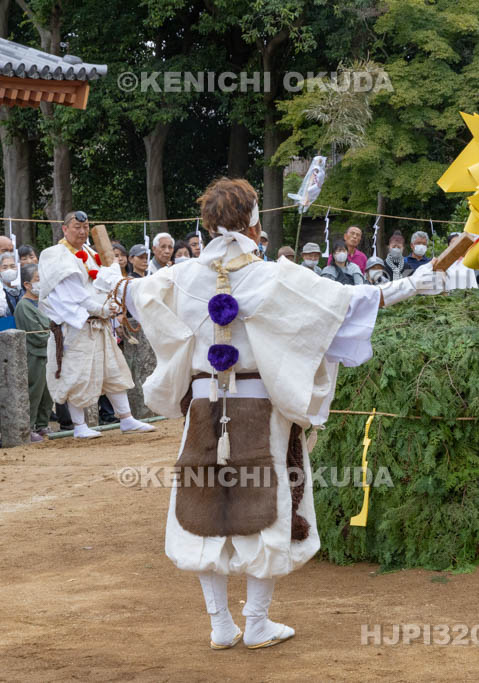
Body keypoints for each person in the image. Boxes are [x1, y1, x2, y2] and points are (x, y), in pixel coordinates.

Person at [93, 177, 445, 651]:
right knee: (265, 507)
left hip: (203, 406)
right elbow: (344, 304)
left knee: (203, 507)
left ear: (207, 224)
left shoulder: (180, 276)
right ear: (254, 223)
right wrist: (409, 286)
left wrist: (113, 281)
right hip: (261, 406)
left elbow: (131, 296)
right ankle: (254, 622)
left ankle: (222, 624)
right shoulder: (272, 276)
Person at [36, 211, 155, 439]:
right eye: (76, 227)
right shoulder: (54, 255)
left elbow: (104, 281)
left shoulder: (90, 252)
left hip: (101, 324)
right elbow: (72, 294)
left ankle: (126, 418)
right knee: (76, 374)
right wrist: (101, 309)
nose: (81, 232)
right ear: (64, 229)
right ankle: (79, 425)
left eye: (85, 227)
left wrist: (113, 304)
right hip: (75, 325)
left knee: (114, 370)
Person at [14, 264, 52, 442]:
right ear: (27, 284)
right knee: (34, 391)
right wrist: (53, 332)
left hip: (49, 354)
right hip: (34, 355)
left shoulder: (44, 302)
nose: (41, 283)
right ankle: (29, 426)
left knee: (47, 392)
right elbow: (38, 336)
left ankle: (43, 424)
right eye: (38, 279)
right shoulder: (24, 306)